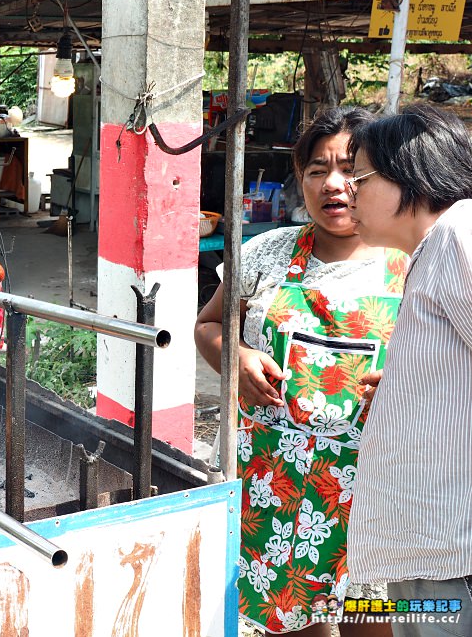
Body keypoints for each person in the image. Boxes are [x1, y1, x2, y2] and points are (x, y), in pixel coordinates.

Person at [195, 105, 407, 636]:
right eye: (317, 169)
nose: (334, 184)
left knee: (372, 618)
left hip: (376, 491)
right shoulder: (264, 254)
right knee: (285, 618)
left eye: (351, 169)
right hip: (274, 483)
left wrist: (411, 388)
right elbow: (209, 325)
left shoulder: (416, 262)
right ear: (300, 177)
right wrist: (236, 357)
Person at [345, 103, 472, 637]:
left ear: (409, 173)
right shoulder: (434, 250)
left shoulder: (459, 237)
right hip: (426, 547)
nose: (349, 192)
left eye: (360, 178)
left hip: (447, 557)